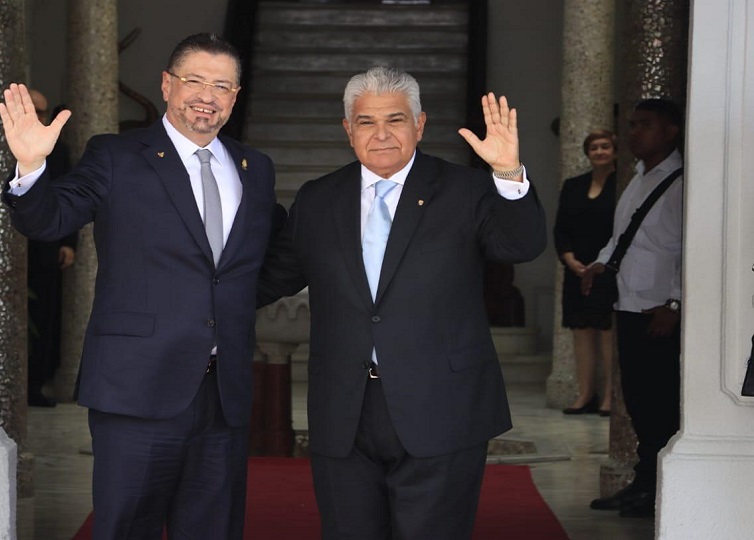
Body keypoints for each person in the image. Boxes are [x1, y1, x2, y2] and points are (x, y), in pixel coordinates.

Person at [0, 33, 279, 539]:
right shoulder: (116, 155)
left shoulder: (254, 168)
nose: (207, 96)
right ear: (168, 85)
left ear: (235, 97)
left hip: (224, 394)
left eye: (222, 85)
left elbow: (266, 259)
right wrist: (32, 169)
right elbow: (48, 219)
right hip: (136, 388)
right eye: (194, 80)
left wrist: (228, 304)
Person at [258, 66, 547, 539]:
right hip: (344, 411)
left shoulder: (467, 190)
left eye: (396, 119)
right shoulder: (317, 200)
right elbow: (271, 279)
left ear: (420, 124)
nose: (382, 134)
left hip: (443, 406)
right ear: (348, 130)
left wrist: (507, 172)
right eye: (367, 122)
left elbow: (521, 246)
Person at [582, 98, 683, 519]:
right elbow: (622, 235)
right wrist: (600, 263)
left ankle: (656, 489)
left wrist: (675, 302)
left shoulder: (680, 182)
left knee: (659, 404)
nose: (633, 133)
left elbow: (689, 248)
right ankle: (642, 484)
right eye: (632, 125)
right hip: (627, 302)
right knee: (640, 404)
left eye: (645, 125)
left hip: (657, 311)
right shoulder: (638, 176)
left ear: (670, 131)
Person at [553, 129, 617, 416]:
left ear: (614, 151)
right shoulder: (573, 185)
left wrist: (602, 262)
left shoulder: (623, 184)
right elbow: (561, 226)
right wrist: (569, 258)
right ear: (587, 153)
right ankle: (585, 394)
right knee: (581, 331)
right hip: (576, 270)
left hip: (608, 270)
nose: (600, 152)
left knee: (606, 332)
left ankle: (609, 397)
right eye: (594, 148)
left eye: (605, 147)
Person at [26, 89, 78, 408]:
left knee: (44, 318)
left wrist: (69, 243)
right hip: (4, 249)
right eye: (31, 110)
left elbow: (69, 199)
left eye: (42, 112)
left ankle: (35, 384)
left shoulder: (58, 152)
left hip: (45, 250)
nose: (38, 117)